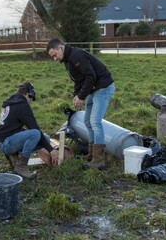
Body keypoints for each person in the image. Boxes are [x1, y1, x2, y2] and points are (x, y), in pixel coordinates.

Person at [46, 38, 115, 170]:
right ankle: (92, 155)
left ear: (61, 47)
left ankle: (99, 161)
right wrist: (76, 95)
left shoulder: (77, 55)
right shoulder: (67, 60)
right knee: (87, 122)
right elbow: (78, 80)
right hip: (92, 89)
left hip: (103, 87)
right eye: (52, 57)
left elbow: (90, 76)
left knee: (95, 121)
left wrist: (82, 96)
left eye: (55, 55)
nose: (54, 59)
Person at [0, 82, 58, 179]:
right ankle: (21, 166)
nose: (32, 100)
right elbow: (35, 129)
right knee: (35, 134)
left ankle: (14, 157)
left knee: (45, 137)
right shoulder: (22, 105)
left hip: (6, 140)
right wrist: (51, 150)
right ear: (29, 94)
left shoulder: (12, 101)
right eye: (32, 98)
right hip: (6, 143)